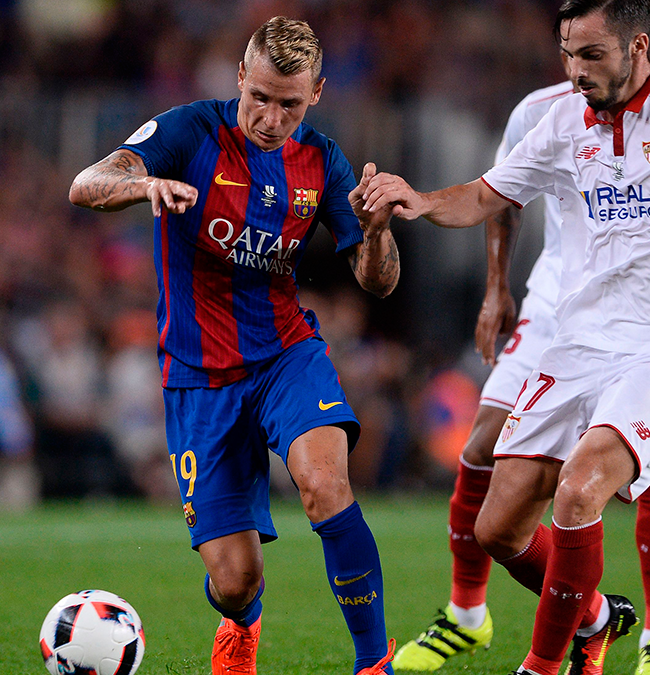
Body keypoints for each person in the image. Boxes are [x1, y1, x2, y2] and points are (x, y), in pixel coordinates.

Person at [362, 1, 650, 673]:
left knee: (581, 487)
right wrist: (420, 199)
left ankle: (550, 662)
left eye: (591, 55)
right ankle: (596, 620)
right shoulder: (557, 117)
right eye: (567, 53)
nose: (575, 70)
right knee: (496, 526)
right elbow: (486, 196)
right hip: (578, 336)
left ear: (637, 46)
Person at [68, 17, 400, 675]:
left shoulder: (323, 162)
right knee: (235, 579)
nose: (273, 118)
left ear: (317, 94)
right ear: (241, 77)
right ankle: (240, 626)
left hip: (285, 356)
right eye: (262, 98)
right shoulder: (190, 130)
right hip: (198, 377)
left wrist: (379, 232)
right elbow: (86, 184)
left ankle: (373, 663)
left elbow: (378, 281)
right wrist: (143, 184)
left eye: (291, 104)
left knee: (324, 483)